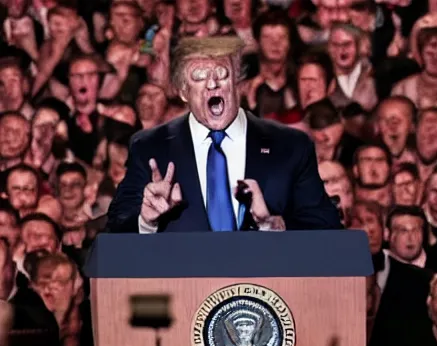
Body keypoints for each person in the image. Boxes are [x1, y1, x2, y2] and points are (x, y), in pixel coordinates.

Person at [107, 36, 342, 233]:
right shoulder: (150, 147)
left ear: (238, 83)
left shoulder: (290, 146)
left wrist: (273, 225)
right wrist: (147, 221)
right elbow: (116, 225)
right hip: (184, 282)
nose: (212, 84)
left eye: (222, 73)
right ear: (183, 92)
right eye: (199, 76)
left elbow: (326, 225)